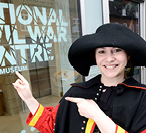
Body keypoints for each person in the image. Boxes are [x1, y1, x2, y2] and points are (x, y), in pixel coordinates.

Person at [12, 23, 146, 133]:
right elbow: (53, 125)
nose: (109, 58)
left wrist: (97, 116)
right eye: (102, 52)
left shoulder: (142, 97)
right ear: (95, 57)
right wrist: (28, 98)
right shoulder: (77, 92)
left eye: (117, 50)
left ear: (127, 55)